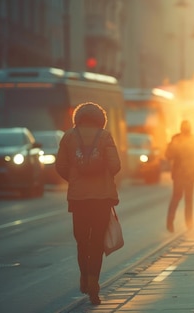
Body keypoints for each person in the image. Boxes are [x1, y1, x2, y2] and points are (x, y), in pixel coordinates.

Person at [56, 102, 121, 305]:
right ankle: (94, 284)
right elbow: (115, 165)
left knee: (82, 241)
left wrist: (75, 179)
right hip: (101, 199)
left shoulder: (68, 137)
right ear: (100, 119)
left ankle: (84, 276)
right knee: (97, 243)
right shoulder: (105, 136)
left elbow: (60, 165)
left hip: (78, 199)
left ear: (79, 118)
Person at [165, 120, 194, 233]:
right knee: (186, 199)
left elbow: (168, 156)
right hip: (185, 174)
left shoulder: (178, 139)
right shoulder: (191, 140)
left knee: (178, 198)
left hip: (182, 174)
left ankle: (173, 223)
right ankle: (187, 223)